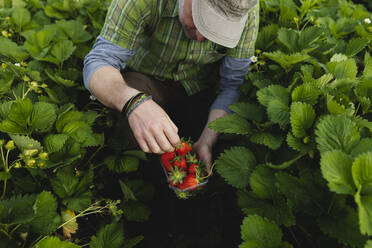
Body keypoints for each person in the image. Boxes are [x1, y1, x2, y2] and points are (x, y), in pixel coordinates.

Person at [83, 0, 259, 168]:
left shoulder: (244, 9)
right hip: (145, 80)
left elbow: (232, 85)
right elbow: (100, 62)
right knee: (131, 124)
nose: (200, 37)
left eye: (217, 31)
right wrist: (134, 102)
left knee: (220, 146)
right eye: (200, 20)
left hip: (198, 90)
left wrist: (207, 140)